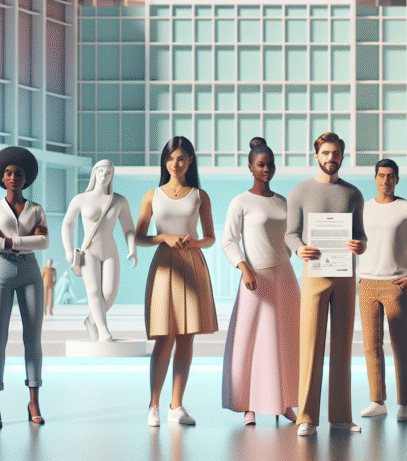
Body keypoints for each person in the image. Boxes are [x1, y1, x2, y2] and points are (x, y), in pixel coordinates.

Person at [285, 131, 367, 436]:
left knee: (343, 347)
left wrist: (360, 246)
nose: (331, 158)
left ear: (342, 157)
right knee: (310, 346)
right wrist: (298, 248)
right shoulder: (300, 191)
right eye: (326, 153)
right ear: (316, 155)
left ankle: (341, 417)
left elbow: (361, 235)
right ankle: (306, 416)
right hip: (314, 274)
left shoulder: (354, 194)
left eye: (336, 154)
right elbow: (291, 233)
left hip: (345, 276)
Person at [135, 136, 218, 427]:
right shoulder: (151, 195)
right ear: (164, 160)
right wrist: (164, 237)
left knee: (186, 337)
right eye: (170, 158)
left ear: (190, 161)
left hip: (192, 264)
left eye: (182, 158)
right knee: (164, 336)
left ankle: (176, 406)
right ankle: (153, 405)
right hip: (163, 267)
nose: (175, 164)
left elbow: (210, 238)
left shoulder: (199, 195)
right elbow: (138, 236)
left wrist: (193, 242)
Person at [221, 137, 300, 426]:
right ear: (251, 167)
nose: (266, 169)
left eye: (270, 165)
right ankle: (248, 405)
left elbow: (290, 238)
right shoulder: (240, 202)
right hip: (254, 277)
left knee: (287, 340)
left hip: (285, 275)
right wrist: (244, 268)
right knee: (251, 341)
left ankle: (286, 402)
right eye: (260, 165)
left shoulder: (282, 201)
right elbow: (228, 241)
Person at [0, 146, 49, 428]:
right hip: (2, 270)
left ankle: (34, 400)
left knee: (33, 338)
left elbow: (43, 242)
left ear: (26, 177)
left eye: (18, 173)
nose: (13, 177)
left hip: (31, 270)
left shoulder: (36, 209)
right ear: (1, 177)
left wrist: (6, 238)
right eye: (8, 173)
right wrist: (23, 239)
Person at [358, 159, 407, 423]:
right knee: (371, 346)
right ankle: (377, 401)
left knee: (401, 347)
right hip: (366, 284)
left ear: (397, 179)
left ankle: (404, 404)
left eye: (390, 176)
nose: (385, 180)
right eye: (381, 175)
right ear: (374, 178)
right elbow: (354, 242)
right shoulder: (362, 209)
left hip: (395, 284)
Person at [61, 159, 137, 342]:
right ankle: (103, 329)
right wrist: (68, 251)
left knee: (110, 293)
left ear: (113, 175)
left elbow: (128, 229)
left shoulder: (119, 201)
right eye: (101, 171)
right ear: (94, 173)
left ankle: (90, 320)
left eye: (108, 172)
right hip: (89, 252)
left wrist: (133, 249)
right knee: (94, 290)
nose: (104, 175)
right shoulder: (81, 199)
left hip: (110, 251)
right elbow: (67, 224)